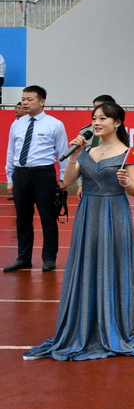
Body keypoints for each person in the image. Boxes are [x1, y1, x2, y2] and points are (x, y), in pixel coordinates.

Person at [23, 102, 134, 361]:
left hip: (115, 213)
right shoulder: (87, 150)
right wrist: (75, 155)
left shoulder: (128, 153)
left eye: (103, 118)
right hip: (88, 213)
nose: (96, 123)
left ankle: (114, 323)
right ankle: (84, 320)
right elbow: (66, 181)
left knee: (113, 265)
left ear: (117, 123)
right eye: (94, 118)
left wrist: (126, 182)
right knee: (87, 264)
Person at [4, 86, 68, 273]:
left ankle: (49, 258)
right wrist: (10, 178)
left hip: (43, 174)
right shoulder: (17, 123)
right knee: (22, 220)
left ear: (42, 101)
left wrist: (62, 177)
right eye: (23, 99)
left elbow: (63, 152)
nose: (25, 102)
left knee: (48, 218)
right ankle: (23, 258)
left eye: (29, 99)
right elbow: (11, 152)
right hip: (20, 174)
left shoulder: (54, 124)